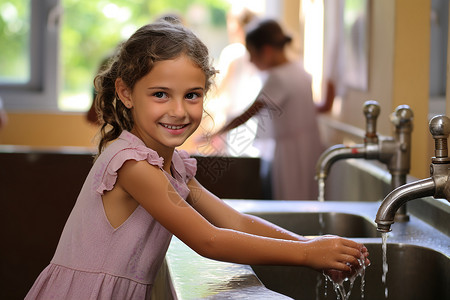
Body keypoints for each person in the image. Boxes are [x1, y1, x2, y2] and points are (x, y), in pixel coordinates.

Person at [25, 20, 368, 300]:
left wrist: (307, 243)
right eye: (160, 94)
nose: (179, 110)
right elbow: (209, 240)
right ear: (126, 93)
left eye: (192, 95)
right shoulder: (133, 165)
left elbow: (231, 220)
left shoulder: (170, 166)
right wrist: (307, 255)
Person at [212, 19, 324, 200]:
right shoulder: (298, 69)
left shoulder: (277, 78)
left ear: (266, 51)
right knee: (307, 196)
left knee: (291, 200)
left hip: (290, 154)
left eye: (251, 53)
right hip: (311, 146)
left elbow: (249, 113)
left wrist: (217, 133)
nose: (249, 60)